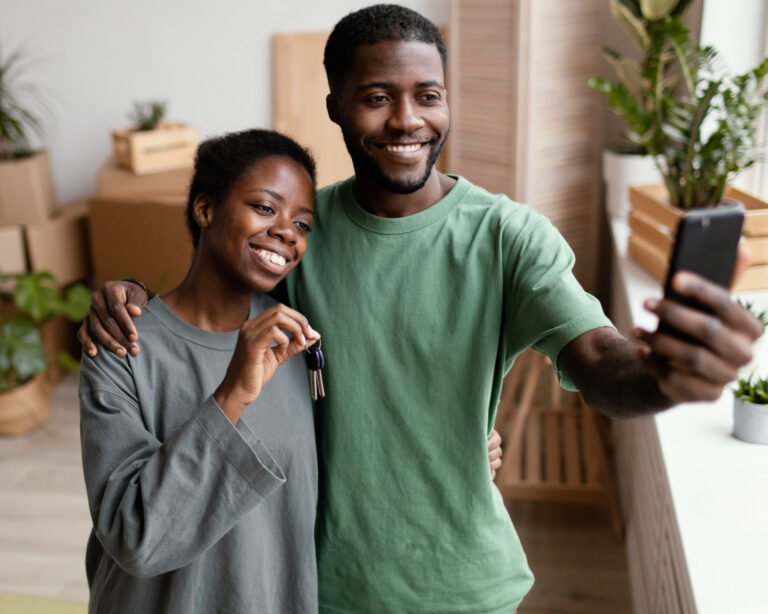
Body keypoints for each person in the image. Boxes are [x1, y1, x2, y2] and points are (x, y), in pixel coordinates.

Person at [79, 5, 762, 613]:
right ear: (337, 105)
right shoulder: (306, 239)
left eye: (427, 96)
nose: (407, 119)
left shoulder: (508, 237)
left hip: (466, 587)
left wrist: (663, 374)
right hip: (321, 585)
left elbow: (599, 361)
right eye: (377, 97)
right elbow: (216, 296)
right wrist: (128, 292)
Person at [79, 129, 323, 613]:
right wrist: (233, 394)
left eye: (303, 223)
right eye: (265, 207)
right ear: (205, 209)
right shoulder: (120, 345)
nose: (287, 232)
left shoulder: (302, 341)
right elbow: (136, 537)